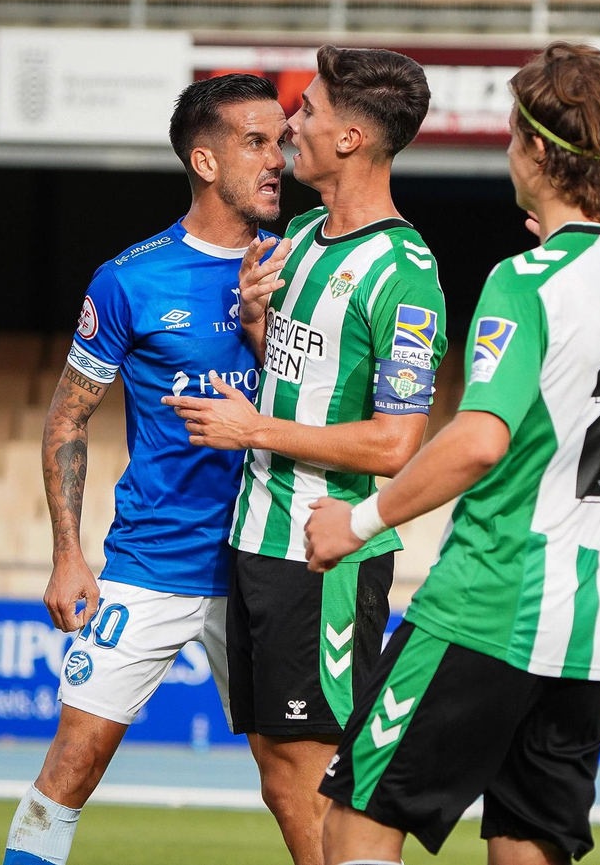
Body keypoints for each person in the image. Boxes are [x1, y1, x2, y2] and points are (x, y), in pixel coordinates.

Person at [302, 41, 600, 865]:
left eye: (513, 135)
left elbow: (479, 440)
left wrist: (358, 522)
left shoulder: (526, 280)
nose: (507, 151)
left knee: (355, 822)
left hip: (492, 602)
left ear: (541, 151)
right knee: (525, 847)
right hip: (596, 618)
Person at [164, 46, 446, 865]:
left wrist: (255, 431)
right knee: (278, 771)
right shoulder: (300, 240)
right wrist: (257, 324)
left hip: (322, 554)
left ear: (353, 137)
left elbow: (398, 443)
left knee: (318, 775)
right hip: (256, 537)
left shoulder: (405, 272)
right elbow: (297, 379)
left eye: (311, 111)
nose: (292, 124)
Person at [3, 73, 286, 865]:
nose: (277, 158)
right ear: (204, 160)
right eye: (255, 142)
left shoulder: (301, 270)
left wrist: (264, 324)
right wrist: (69, 553)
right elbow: (67, 415)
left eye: (279, 140)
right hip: (150, 565)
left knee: (295, 782)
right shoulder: (130, 278)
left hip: (264, 563)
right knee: (71, 765)